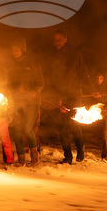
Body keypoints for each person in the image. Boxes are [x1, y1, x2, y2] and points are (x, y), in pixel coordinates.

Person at [44, 29, 93, 164]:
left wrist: (93, 90)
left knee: (74, 124)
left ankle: (80, 150)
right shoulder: (51, 56)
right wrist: (54, 95)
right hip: (59, 96)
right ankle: (67, 156)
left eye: (59, 40)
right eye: (55, 40)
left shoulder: (74, 55)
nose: (57, 43)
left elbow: (83, 73)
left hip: (74, 95)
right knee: (62, 127)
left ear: (65, 40)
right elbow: (49, 79)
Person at [5, 37, 44, 166]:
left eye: (17, 50)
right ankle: (21, 159)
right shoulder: (11, 65)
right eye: (12, 50)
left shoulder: (32, 64)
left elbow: (40, 83)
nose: (14, 52)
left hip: (32, 102)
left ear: (23, 50)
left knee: (27, 129)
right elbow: (9, 84)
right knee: (16, 129)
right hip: (18, 101)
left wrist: (34, 90)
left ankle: (34, 157)